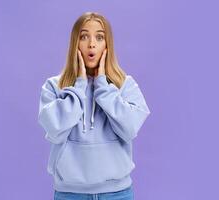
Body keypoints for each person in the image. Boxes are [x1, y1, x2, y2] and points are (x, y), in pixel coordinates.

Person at [38, 11, 151, 200]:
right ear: (75, 43)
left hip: (118, 194)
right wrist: (79, 86)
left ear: (108, 45)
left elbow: (130, 129)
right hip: (70, 194)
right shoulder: (54, 86)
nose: (91, 43)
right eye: (84, 36)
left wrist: (103, 87)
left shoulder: (125, 85)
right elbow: (55, 130)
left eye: (99, 37)